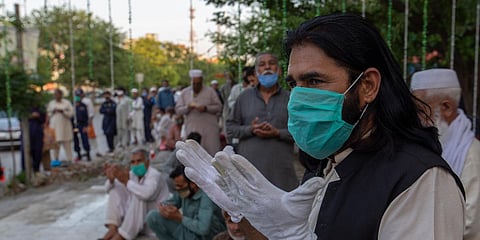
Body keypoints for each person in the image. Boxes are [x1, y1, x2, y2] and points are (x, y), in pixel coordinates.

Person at [176, 13, 465, 240]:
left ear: (367, 86)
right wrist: (250, 218)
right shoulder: (326, 165)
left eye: (314, 82)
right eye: (294, 84)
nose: (299, 98)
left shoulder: (419, 181)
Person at [411, 68, 480, 240]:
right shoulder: (435, 145)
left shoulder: (471, 155)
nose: (416, 119)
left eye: (420, 110)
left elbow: (470, 224)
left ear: (446, 107)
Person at [226, 52, 298, 191]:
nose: (267, 67)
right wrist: (250, 129)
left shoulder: (290, 99)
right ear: (255, 71)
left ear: (280, 70)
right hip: (249, 174)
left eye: (271, 63)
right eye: (262, 64)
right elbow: (230, 128)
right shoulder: (244, 97)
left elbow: (301, 133)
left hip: (281, 175)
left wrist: (277, 133)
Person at [102, 148, 169, 240]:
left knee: (139, 195)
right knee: (115, 189)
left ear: (147, 162)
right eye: (133, 162)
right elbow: (107, 189)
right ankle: (112, 228)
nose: (136, 164)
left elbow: (147, 194)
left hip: (153, 221)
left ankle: (121, 236)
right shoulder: (132, 174)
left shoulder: (154, 175)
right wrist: (111, 179)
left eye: (139, 161)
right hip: (138, 222)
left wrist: (126, 181)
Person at [146, 164, 225, 240]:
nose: (177, 189)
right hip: (190, 232)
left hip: (206, 236)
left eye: (180, 186)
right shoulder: (184, 191)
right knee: (153, 217)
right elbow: (172, 202)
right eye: (176, 185)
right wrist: (165, 208)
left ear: (193, 184)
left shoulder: (206, 197)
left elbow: (203, 229)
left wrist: (179, 217)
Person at [175, 69, 223, 155]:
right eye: (194, 84)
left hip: (209, 130)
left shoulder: (210, 91)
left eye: (198, 84)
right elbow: (178, 110)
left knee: (212, 154)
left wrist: (206, 108)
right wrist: (188, 107)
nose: (196, 86)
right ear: (191, 82)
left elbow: (219, 107)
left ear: (202, 81)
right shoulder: (185, 93)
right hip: (192, 129)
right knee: (194, 155)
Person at [47, 89, 74, 162]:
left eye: (58, 94)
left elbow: (71, 114)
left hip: (65, 128)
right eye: (55, 94)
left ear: (61, 95)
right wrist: (53, 111)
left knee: (67, 145)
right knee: (55, 146)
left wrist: (63, 111)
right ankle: (56, 160)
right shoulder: (51, 103)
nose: (56, 96)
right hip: (55, 128)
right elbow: (48, 114)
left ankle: (70, 160)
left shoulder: (67, 103)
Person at [73, 95, 91, 161]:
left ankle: (88, 153)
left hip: (82, 125)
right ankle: (78, 154)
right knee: (76, 140)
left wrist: (86, 126)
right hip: (75, 126)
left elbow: (86, 117)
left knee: (85, 139)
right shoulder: (73, 106)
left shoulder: (83, 106)